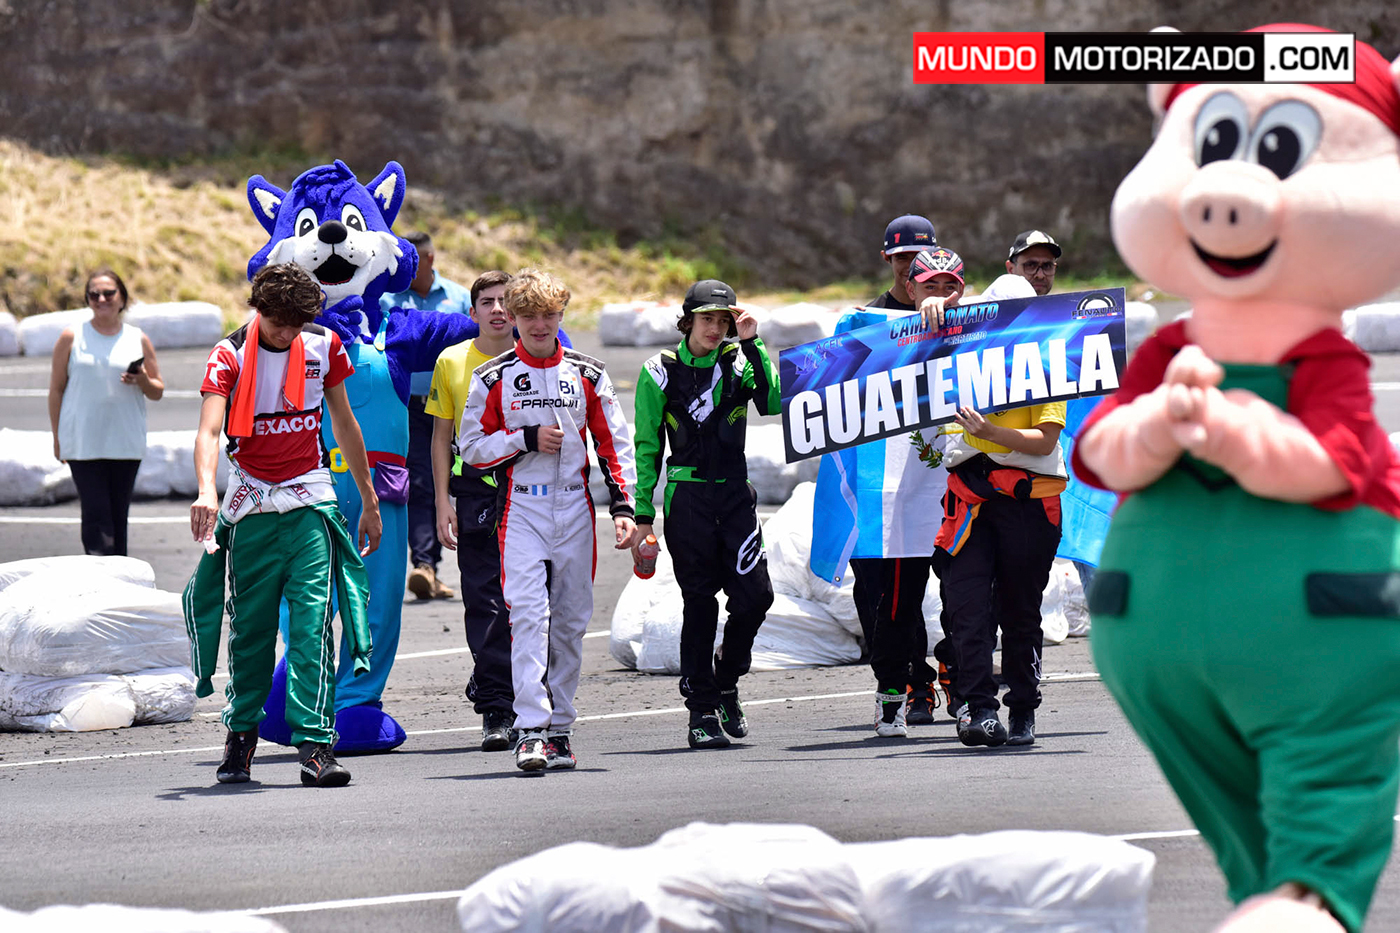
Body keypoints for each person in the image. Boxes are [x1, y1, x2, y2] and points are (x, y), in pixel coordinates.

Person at [184, 262, 382, 787]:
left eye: (297, 323)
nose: (288, 333)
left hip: (310, 502)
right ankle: (240, 736)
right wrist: (206, 490)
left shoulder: (323, 345)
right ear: (258, 310)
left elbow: (344, 422)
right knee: (251, 632)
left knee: (312, 628)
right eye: (278, 324)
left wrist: (368, 497)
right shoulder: (229, 354)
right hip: (252, 505)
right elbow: (208, 431)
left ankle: (316, 746)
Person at [457, 268, 638, 773]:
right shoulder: (492, 377)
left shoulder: (589, 373)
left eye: (549, 315)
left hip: (576, 508)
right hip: (521, 508)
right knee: (529, 618)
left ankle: (560, 729)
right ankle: (531, 730)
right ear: (513, 318)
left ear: (561, 316)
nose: (539, 325)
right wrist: (524, 439)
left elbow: (616, 445)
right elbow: (470, 448)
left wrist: (625, 508)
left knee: (572, 621)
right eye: (529, 316)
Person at [810, 216, 948, 734]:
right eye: (903, 258)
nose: (912, 267)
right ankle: (911, 683)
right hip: (881, 481)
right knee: (883, 595)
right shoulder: (862, 322)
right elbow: (825, 388)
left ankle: (955, 671)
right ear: (888, 260)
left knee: (961, 587)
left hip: (944, 476)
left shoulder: (962, 315)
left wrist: (945, 316)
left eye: (921, 258)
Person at [633, 279, 780, 749]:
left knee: (756, 597)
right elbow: (646, 447)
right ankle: (701, 709)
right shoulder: (658, 371)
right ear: (687, 321)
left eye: (723, 320)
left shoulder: (740, 361)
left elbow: (772, 402)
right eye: (706, 319)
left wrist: (754, 341)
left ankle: (726, 681)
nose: (715, 329)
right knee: (699, 603)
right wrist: (641, 516)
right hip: (688, 500)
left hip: (736, 496)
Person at [922, 271, 1065, 749]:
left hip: (1028, 504)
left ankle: (1023, 706)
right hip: (969, 501)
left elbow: (1045, 441)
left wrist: (991, 433)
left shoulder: (1047, 360)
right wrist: (930, 318)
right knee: (966, 607)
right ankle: (979, 709)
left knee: (1020, 611)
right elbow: (902, 364)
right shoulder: (960, 355)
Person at [426, 270, 518, 752]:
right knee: (484, 600)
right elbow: (440, 437)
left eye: (505, 301)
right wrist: (442, 500)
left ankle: (517, 689)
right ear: (473, 311)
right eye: (488, 302)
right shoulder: (452, 360)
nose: (497, 310)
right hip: (475, 494)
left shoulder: (538, 357)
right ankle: (496, 708)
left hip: (530, 494)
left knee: (527, 601)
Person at [381, 231, 472, 601]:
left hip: (458, 406)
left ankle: (473, 563)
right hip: (411, 406)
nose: (401, 268)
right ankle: (425, 565)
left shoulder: (459, 298)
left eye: (411, 261)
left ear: (429, 259)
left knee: (466, 479)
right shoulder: (387, 300)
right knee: (420, 482)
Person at [47, 270, 165, 556]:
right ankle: (100, 576)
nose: (101, 299)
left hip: (125, 442)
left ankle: (119, 576)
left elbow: (157, 390)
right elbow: (56, 390)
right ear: (87, 299)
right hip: (83, 442)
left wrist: (142, 380)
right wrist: (57, 437)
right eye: (94, 294)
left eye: (109, 293)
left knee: (118, 518)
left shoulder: (137, 338)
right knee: (96, 519)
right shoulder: (71, 337)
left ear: (122, 298)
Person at [1005, 229, 1061, 297]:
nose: (1040, 276)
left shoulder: (1066, 303)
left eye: (1047, 266)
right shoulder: (996, 301)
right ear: (1011, 269)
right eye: (1031, 265)